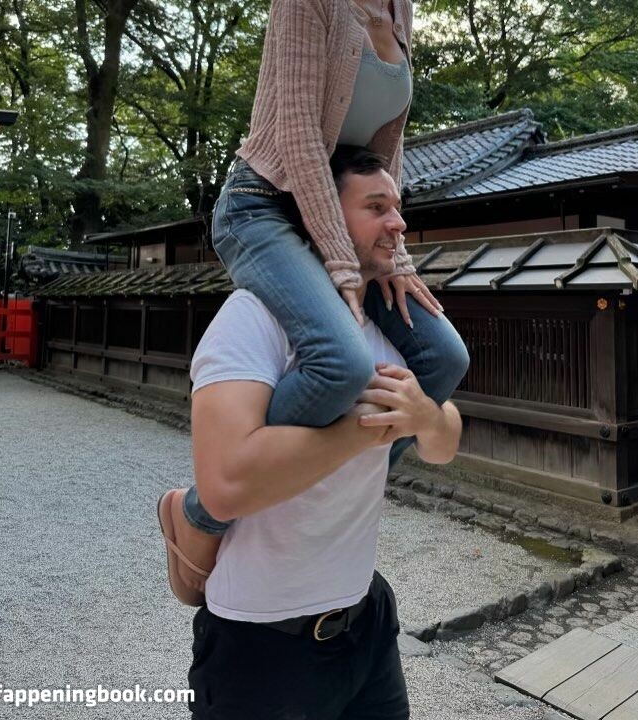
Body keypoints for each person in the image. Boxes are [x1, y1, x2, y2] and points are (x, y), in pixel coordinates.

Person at [158, 0, 469, 604]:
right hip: (265, 208)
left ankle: (307, 478)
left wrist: (391, 253)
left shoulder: (400, 11)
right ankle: (203, 511)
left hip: (343, 217)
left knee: (442, 359)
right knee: (342, 361)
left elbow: (385, 152)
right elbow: (298, 136)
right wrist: (343, 263)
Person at [184, 146, 462, 719]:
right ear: (325, 217)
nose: (398, 224)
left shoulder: (388, 325)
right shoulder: (252, 317)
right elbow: (224, 485)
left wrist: (424, 417)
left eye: (398, 208)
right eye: (377, 207)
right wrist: (362, 433)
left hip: (367, 621)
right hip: (262, 639)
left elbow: (445, 444)